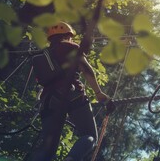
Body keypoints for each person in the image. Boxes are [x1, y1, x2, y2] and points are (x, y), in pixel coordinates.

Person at [30, 22, 111, 161]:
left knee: (47, 148)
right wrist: (98, 93)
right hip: (72, 94)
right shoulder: (70, 46)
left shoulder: (44, 54)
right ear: (68, 36)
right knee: (89, 135)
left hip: (48, 101)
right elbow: (86, 69)